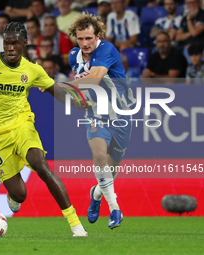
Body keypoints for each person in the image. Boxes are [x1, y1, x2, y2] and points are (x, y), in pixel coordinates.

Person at [0, 22, 87, 237]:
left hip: (21, 126)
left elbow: (57, 91)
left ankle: (76, 224)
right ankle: (13, 195)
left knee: (40, 163)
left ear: (25, 43)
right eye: (6, 43)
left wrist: (79, 102)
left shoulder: (32, 70)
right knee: (20, 195)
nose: (10, 48)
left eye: (15, 43)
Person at [60, 13, 136, 229]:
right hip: (96, 114)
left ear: (98, 36)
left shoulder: (107, 49)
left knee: (111, 170)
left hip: (121, 114)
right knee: (99, 155)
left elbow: (92, 79)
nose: (84, 43)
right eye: (80, 38)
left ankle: (96, 193)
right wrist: (78, 100)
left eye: (89, 38)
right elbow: (82, 92)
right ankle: (115, 209)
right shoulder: (73, 55)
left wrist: (57, 86)